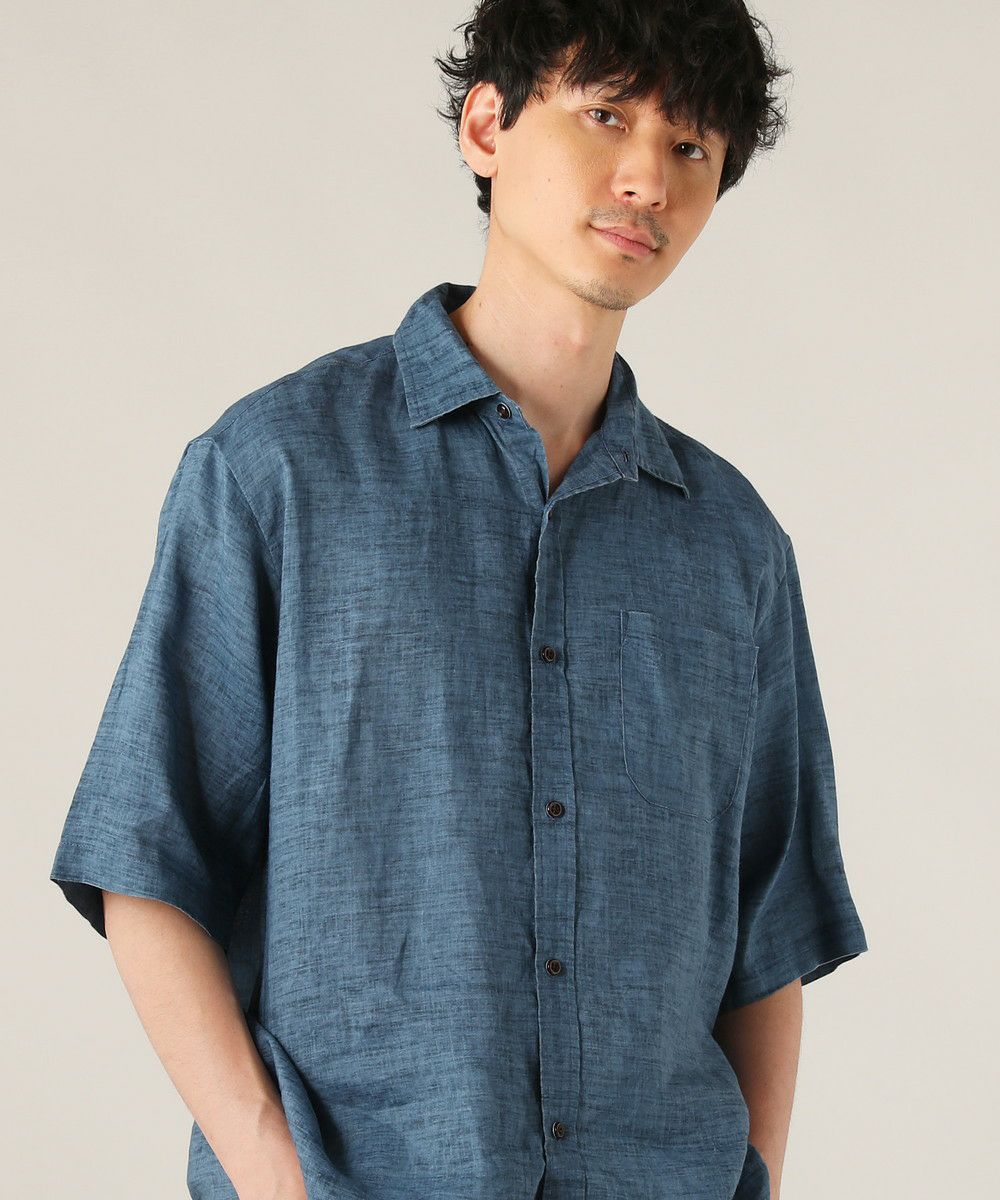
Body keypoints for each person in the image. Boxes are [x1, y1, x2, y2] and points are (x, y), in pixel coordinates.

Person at [49, 3, 869, 1198]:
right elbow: (145, 861)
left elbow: (767, 927)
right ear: (488, 124)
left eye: (691, 145)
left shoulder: (731, 542)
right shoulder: (278, 471)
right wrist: (275, 1176)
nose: (647, 177)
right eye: (606, 114)